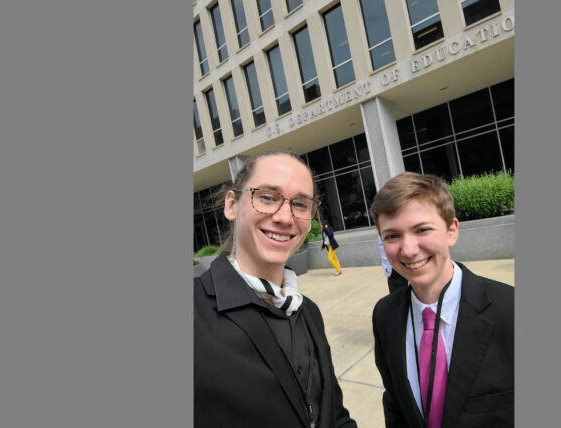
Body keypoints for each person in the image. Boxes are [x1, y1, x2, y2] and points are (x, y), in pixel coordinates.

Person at [194, 151, 357, 428]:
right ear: (232, 205)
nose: (285, 217)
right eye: (267, 197)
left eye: (300, 204)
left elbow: (334, 415)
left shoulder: (308, 312)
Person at [370, 172, 514, 428]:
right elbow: (394, 403)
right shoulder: (384, 314)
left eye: (422, 230)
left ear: (451, 231)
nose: (409, 249)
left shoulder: (510, 309)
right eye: (392, 236)